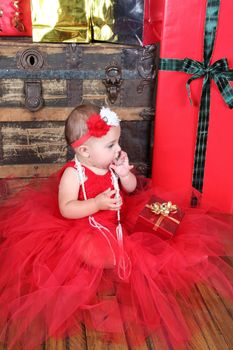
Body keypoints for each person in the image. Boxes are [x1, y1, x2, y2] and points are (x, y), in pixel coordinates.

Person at [0, 103, 233, 349]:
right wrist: (96, 203)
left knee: (161, 220)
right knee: (102, 252)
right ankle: (147, 259)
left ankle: (164, 252)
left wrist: (123, 174)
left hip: (120, 218)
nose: (119, 149)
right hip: (89, 226)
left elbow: (131, 189)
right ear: (86, 152)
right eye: (111, 145)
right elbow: (66, 208)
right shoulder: (74, 174)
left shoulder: (110, 163)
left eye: (117, 142)